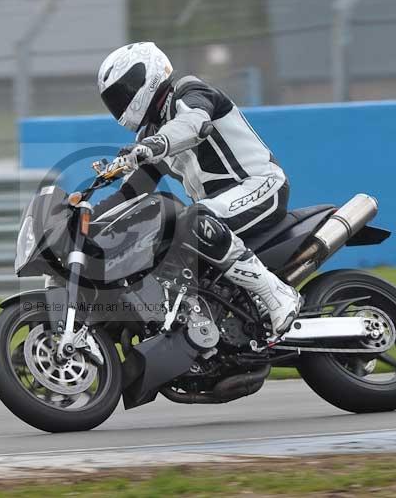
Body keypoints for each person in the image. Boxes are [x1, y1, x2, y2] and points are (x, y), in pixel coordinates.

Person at [94, 41, 300, 337]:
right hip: (218, 212)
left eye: (124, 91)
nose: (121, 102)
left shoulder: (189, 92)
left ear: (148, 75)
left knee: (193, 219)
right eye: (114, 98)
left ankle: (277, 294)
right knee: (162, 248)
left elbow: (193, 125)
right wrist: (85, 218)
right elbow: (129, 195)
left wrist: (151, 147)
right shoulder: (151, 133)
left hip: (261, 186)